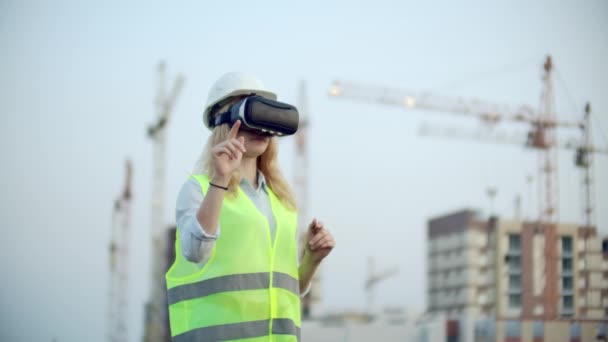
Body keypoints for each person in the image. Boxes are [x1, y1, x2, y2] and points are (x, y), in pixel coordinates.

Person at [166, 72, 335, 341]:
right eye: (251, 115)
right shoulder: (198, 189)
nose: (261, 127)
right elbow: (196, 252)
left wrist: (312, 260)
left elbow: (287, 289)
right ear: (224, 121)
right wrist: (220, 180)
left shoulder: (282, 201)